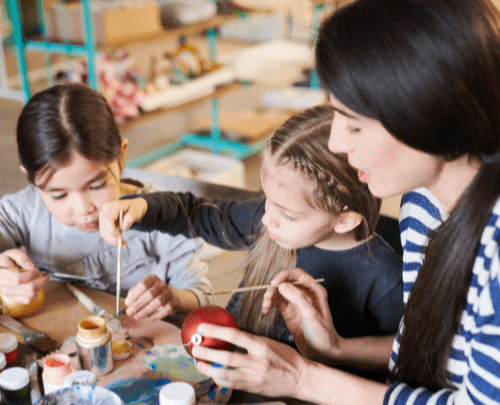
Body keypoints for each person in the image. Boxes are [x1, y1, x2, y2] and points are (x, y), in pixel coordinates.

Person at [154, 0, 500, 405]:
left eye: (354, 123)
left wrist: (301, 377)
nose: (337, 141)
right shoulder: (423, 200)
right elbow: (442, 355)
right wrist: (334, 348)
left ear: (431, 116)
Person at [99, 105, 404, 379]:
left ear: (345, 219)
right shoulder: (270, 221)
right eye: (266, 199)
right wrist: (141, 207)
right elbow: (195, 214)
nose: (267, 218)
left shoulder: (386, 278)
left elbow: (401, 354)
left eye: (288, 214)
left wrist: (341, 347)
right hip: (237, 376)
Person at [0, 83, 212, 320]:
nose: (84, 210)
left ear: (121, 156)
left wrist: (175, 297)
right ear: (32, 179)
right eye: (59, 195)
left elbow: (203, 296)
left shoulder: (164, 218)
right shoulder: (26, 210)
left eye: (97, 185)